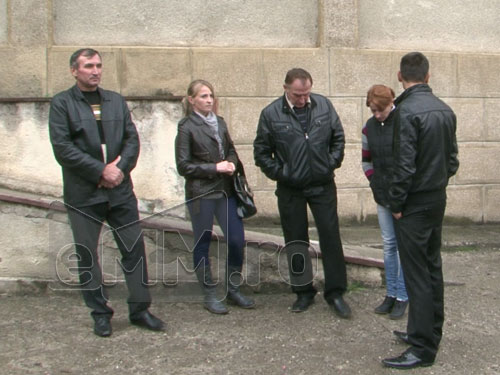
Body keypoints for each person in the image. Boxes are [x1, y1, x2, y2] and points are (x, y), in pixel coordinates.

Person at [49, 48, 165, 337]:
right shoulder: (62, 103)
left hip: (120, 191)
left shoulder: (115, 101)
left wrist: (119, 169)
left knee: (134, 250)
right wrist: (100, 171)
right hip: (84, 194)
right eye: (88, 66)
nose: (96, 70)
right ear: (74, 71)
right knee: (87, 255)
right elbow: (63, 148)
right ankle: (100, 313)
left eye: (99, 65)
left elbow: (131, 140)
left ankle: (140, 310)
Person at [253, 68, 351, 318]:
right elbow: (262, 153)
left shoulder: (324, 106)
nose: (303, 99)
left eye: (306, 94)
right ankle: (303, 292)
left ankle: (336, 293)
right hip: (290, 188)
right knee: (296, 240)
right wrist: (283, 173)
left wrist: (330, 162)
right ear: (286, 88)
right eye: (298, 95)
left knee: (330, 237)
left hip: (322, 184)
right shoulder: (271, 114)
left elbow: (338, 138)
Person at [382, 52, 459, 369]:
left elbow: (404, 165)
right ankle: (427, 333)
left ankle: (422, 348)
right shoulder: (444, 109)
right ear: (427, 76)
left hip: (414, 204)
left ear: (400, 75)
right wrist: (436, 183)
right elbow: (452, 161)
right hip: (435, 198)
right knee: (431, 268)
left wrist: (397, 204)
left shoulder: (406, 111)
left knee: (417, 275)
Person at [175, 79, 255, 314]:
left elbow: (230, 149)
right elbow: (183, 165)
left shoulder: (219, 123)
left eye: (210, 96)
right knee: (202, 242)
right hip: (201, 193)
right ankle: (209, 294)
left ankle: (232, 289)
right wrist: (215, 168)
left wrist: (230, 163)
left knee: (236, 239)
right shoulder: (186, 127)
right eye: (203, 96)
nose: (208, 100)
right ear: (191, 100)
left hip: (226, 191)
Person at [362, 85, 408, 320]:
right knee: (389, 244)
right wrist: (375, 183)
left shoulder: (404, 122)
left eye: (380, 110)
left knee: (403, 247)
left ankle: (403, 295)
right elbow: (366, 161)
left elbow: (408, 162)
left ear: (391, 103)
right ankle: (390, 293)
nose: (377, 115)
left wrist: (399, 195)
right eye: (373, 111)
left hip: (403, 197)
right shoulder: (369, 127)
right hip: (382, 195)